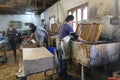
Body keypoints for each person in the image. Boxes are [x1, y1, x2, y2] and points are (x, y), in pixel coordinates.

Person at [58, 15, 87, 79]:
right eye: (72, 21)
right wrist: (83, 41)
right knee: (64, 60)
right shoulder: (68, 26)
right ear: (70, 20)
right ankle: (64, 76)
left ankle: (61, 73)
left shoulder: (63, 25)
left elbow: (67, 35)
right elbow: (74, 35)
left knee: (61, 59)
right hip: (63, 44)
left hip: (59, 44)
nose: (72, 23)